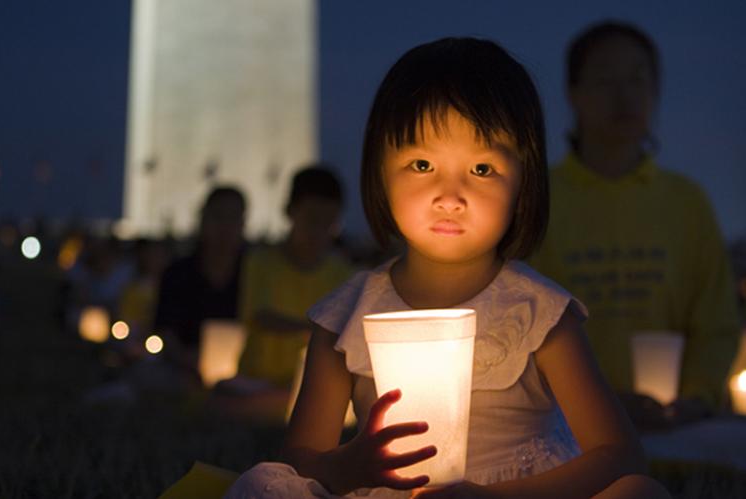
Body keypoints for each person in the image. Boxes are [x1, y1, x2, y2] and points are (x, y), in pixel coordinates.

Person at [225, 37, 668, 498]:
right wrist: (350, 463)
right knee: (261, 486)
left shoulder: (538, 314)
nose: (450, 197)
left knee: (639, 492)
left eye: (481, 170)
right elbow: (299, 460)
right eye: (421, 164)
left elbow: (620, 455)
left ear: (524, 182)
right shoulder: (345, 316)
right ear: (380, 172)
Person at [529, 21, 740, 428]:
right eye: (605, 79)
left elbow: (716, 323)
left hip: (676, 430)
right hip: (562, 432)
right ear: (573, 94)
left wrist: (696, 399)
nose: (624, 94)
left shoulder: (686, 202)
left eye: (638, 78)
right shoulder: (540, 199)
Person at [237, 165, 353, 389]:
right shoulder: (261, 262)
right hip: (256, 381)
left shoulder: (341, 272)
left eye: (328, 221)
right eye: (312, 219)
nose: (319, 230)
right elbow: (260, 316)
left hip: (312, 385)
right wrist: (314, 331)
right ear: (290, 211)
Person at [153, 186, 248, 380]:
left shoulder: (253, 274)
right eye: (218, 216)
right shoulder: (177, 273)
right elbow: (165, 330)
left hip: (243, 374)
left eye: (233, 218)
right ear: (203, 219)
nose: (225, 227)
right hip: (181, 372)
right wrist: (188, 359)